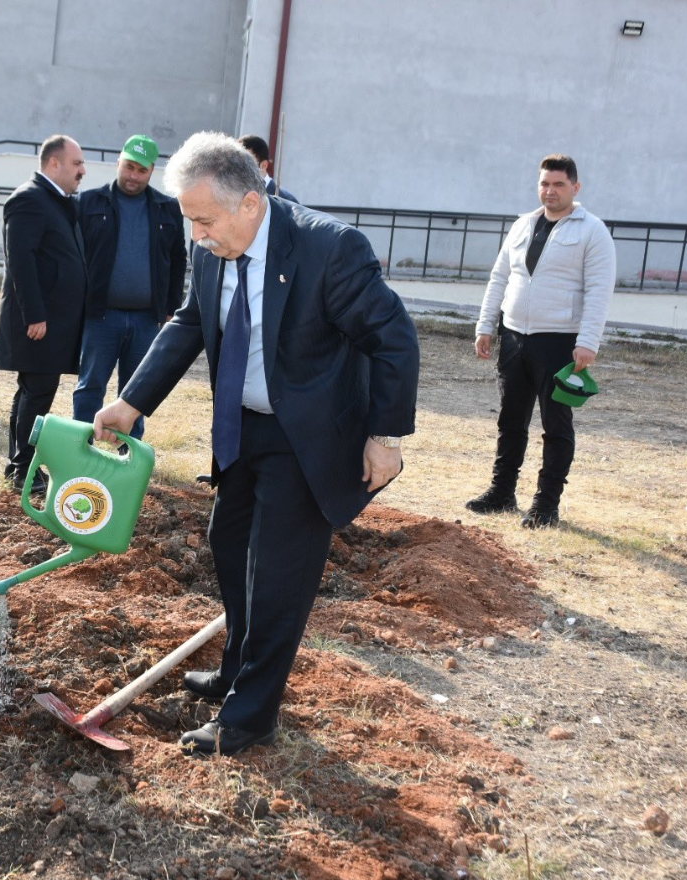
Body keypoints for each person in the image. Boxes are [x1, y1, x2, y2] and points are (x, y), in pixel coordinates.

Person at [93, 132, 419, 757]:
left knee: (277, 573)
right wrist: (130, 402)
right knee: (229, 540)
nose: (197, 236)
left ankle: (251, 715)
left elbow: (395, 339)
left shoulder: (330, 248)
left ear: (250, 202)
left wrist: (385, 437)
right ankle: (239, 669)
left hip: (311, 435)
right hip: (243, 425)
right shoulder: (216, 243)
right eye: (190, 221)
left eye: (204, 221)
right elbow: (191, 319)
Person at [466, 154, 616, 528]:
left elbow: (599, 290)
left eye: (559, 184)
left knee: (556, 425)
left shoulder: (592, 231)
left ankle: (546, 504)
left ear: (575, 188)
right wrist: (486, 325)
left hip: (560, 343)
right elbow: (499, 277)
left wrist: (588, 342)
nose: (550, 191)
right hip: (514, 338)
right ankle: (502, 492)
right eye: (545, 184)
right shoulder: (521, 225)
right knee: (510, 420)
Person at [0, 134, 88, 494]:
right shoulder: (30, 199)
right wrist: (35, 315)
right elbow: (21, 260)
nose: (83, 171)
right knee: (37, 392)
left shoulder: (57, 201)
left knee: (33, 391)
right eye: (77, 164)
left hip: (54, 321)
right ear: (54, 164)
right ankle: (23, 470)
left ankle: (19, 463)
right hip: (39, 322)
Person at [72, 134, 187, 440]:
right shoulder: (89, 203)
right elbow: (73, 254)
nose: (134, 176)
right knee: (90, 385)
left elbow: (178, 261)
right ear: (118, 162)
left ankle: (129, 456)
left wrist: (171, 311)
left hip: (147, 319)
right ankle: (81, 449)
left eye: (142, 170)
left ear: (152, 172)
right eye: (129, 167)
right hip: (100, 316)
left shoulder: (167, 208)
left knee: (136, 391)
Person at [238, 134, 298, 203]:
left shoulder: (287, 201)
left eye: (247, 162)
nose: (240, 168)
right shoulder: (231, 196)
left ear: (264, 165)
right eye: (237, 162)